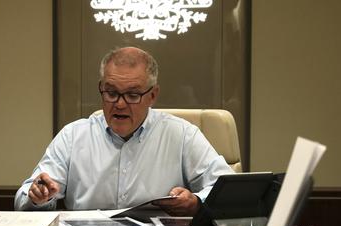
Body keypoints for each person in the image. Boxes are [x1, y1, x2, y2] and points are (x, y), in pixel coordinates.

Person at [14, 47, 233, 216]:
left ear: (153, 95)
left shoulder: (182, 135)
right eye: (111, 93)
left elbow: (226, 189)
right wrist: (37, 197)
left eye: (132, 95)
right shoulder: (73, 136)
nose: (119, 104)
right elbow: (25, 198)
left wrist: (196, 202)